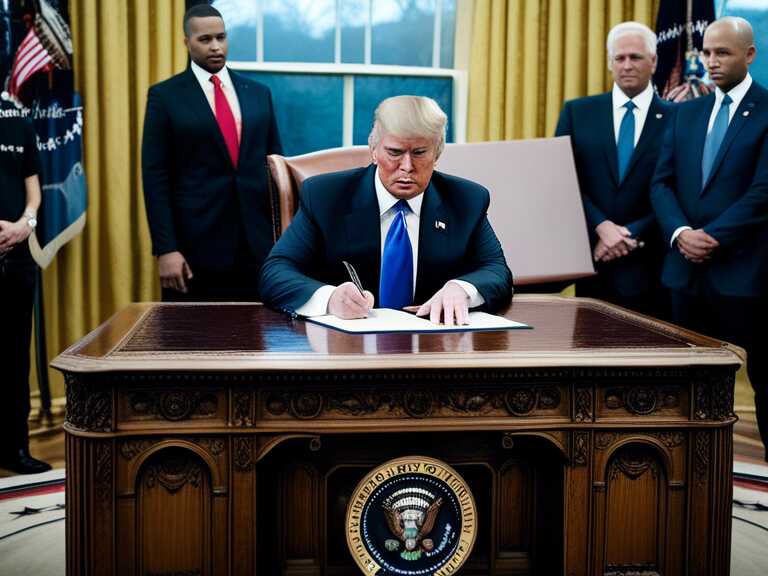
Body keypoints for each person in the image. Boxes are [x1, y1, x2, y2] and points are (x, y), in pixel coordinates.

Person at [258, 95, 513, 324]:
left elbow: (497, 271)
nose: (407, 166)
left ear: (437, 153)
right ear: (373, 150)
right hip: (345, 347)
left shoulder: (466, 200)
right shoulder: (326, 196)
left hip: (434, 346)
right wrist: (329, 298)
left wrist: (463, 289)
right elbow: (275, 272)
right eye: (394, 152)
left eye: (419, 153)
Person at [651, 16, 768, 459]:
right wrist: (682, 233)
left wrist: (712, 237)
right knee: (686, 386)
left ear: (749, 55)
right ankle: (689, 473)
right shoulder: (685, 112)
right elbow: (661, 183)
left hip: (745, 276)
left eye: (723, 53)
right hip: (684, 274)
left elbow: (763, 190)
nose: (711, 62)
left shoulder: (766, 109)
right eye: (706, 52)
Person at [142, 4, 282, 301]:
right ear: (187, 42)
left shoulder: (259, 93)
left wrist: (285, 241)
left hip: (257, 247)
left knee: (255, 329)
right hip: (194, 251)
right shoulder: (165, 97)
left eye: (221, 37)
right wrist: (166, 249)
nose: (216, 46)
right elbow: (155, 177)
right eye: (205, 39)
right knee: (194, 331)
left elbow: (276, 167)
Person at [555, 21, 671, 316]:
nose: (627, 65)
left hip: (652, 262)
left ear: (654, 61)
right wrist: (601, 226)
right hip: (593, 259)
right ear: (610, 63)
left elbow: (678, 187)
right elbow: (562, 179)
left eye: (636, 57)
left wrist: (629, 234)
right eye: (619, 58)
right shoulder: (577, 112)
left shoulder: (678, 117)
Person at [0, 110, 50, 474]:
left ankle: (15, 449)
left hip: (18, 260)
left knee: (16, 358)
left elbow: (33, 193)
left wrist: (24, 225)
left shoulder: (20, 123)